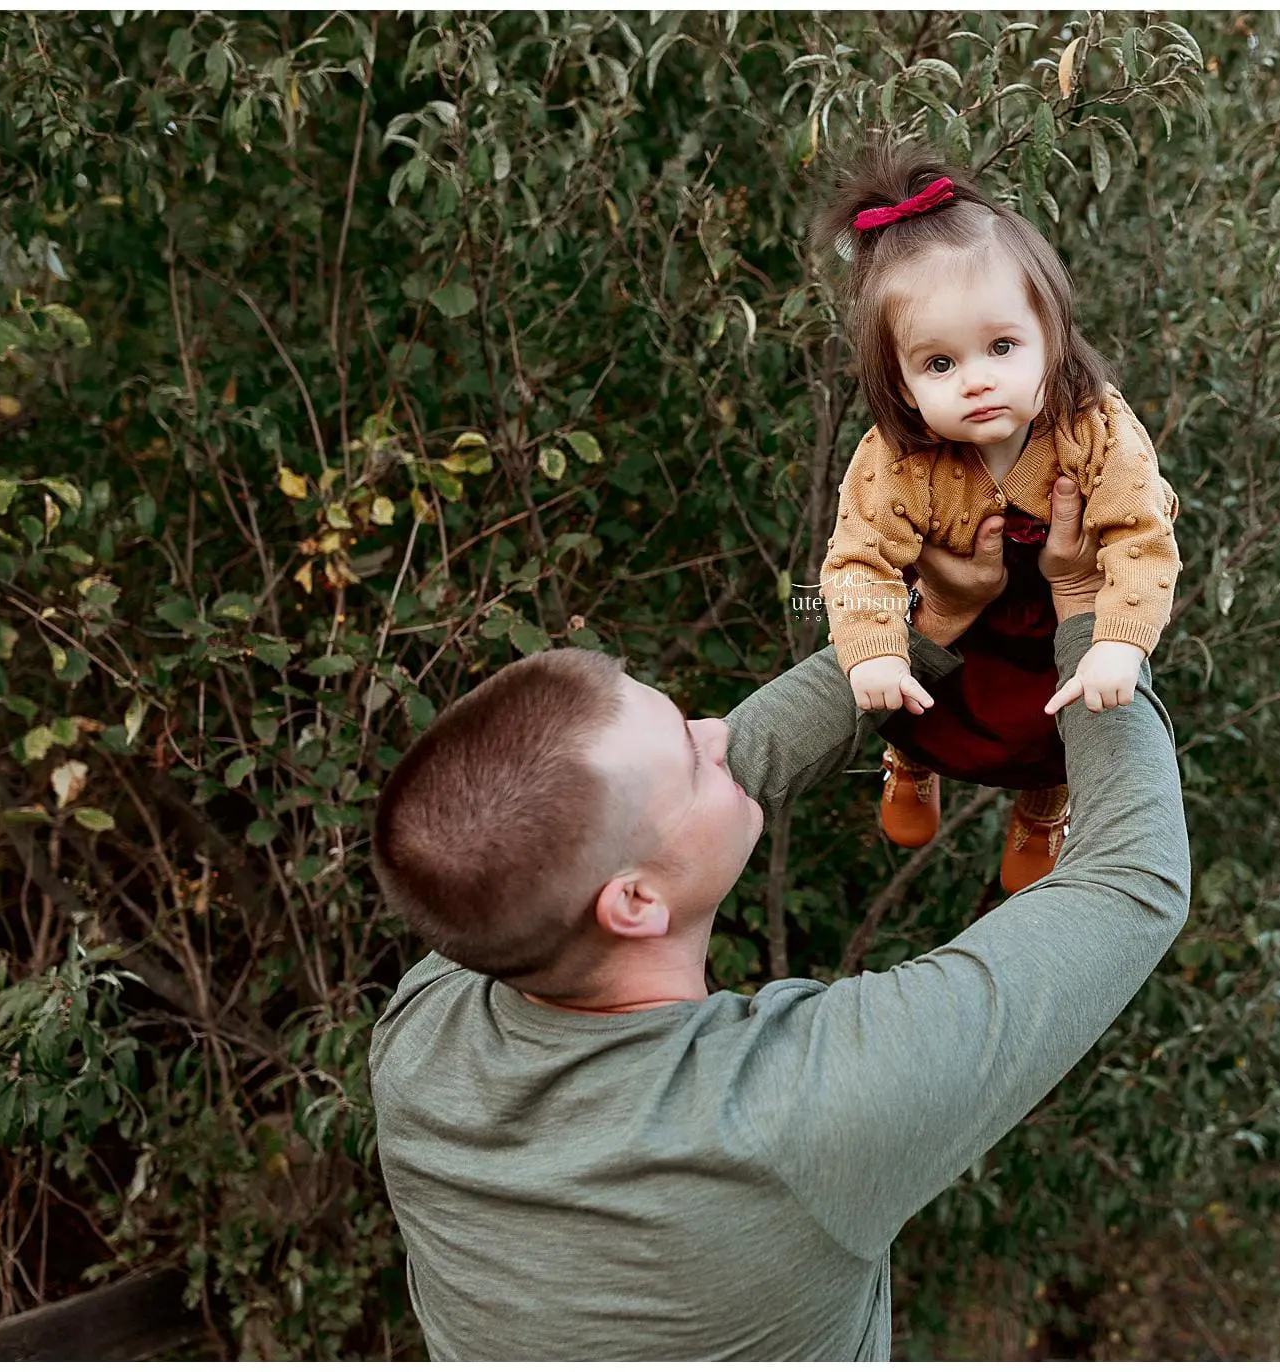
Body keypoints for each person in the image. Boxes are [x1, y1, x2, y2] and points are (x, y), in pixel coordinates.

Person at [365, 476, 1191, 1359]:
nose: (718, 732)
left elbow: (719, 786)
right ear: (633, 903)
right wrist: (1089, 618)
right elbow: (1129, 879)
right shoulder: (791, 1120)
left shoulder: (430, 1025)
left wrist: (926, 623)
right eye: (690, 752)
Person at [814, 139, 1183, 894]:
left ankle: (1044, 804)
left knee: (1065, 710)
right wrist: (874, 646)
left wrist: (1120, 642)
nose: (977, 381)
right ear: (904, 383)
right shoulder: (898, 457)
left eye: (1003, 346)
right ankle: (909, 760)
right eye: (939, 364)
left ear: (1050, 337)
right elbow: (858, 563)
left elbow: (1143, 537)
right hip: (955, 614)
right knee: (910, 682)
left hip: (1052, 613)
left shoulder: (1093, 427)